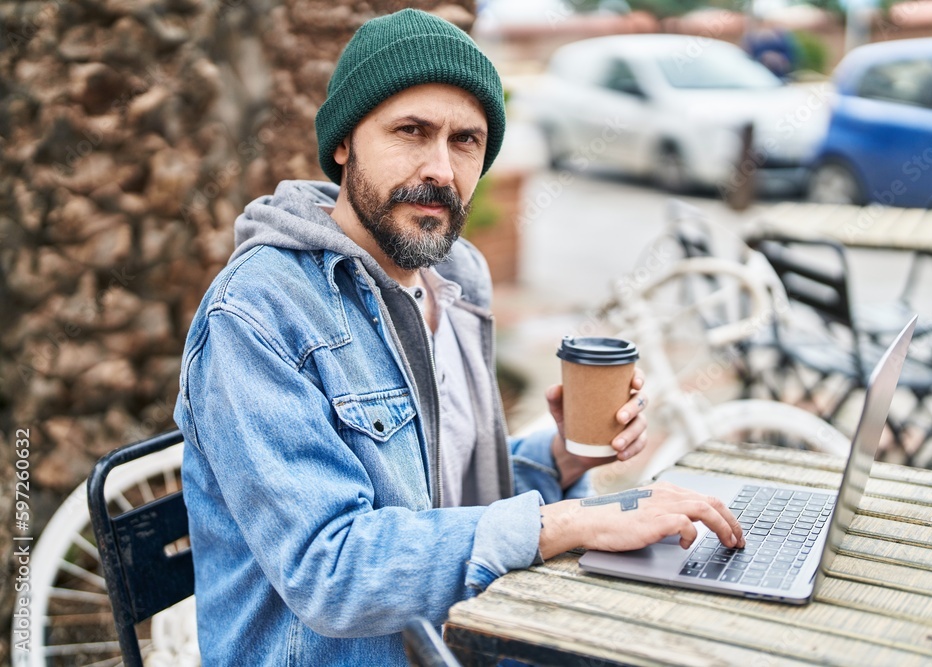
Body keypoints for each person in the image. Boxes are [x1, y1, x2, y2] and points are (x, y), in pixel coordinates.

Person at [174, 8, 744, 665]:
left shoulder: (456, 277)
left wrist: (561, 459)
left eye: (465, 140)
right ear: (342, 144)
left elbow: (442, 498)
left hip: (463, 637)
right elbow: (330, 569)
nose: (440, 168)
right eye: (410, 131)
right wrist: (567, 521)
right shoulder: (259, 313)